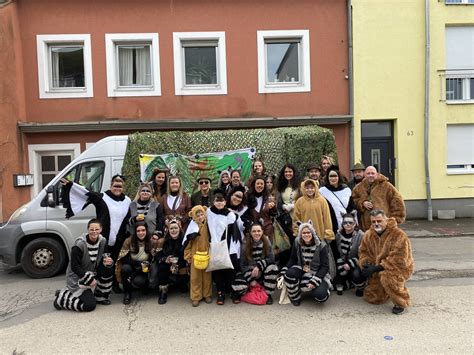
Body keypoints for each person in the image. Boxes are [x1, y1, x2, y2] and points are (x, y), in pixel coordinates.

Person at [61, 174, 131, 293]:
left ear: (123, 187)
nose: (117, 188)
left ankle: (113, 284)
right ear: (111, 186)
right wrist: (70, 185)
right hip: (103, 238)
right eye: (115, 186)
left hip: (119, 238)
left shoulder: (127, 200)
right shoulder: (102, 197)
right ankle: (97, 286)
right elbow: (86, 193)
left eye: (120, 186)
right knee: (101, 263)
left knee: (114, 261)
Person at [357, 209, 414, 315]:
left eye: (379, 221)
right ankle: (385, 290)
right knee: (374, 298)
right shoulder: (368, 234)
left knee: (388, 277)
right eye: (373, 222)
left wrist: (376, 268)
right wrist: (366, 263)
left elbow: (399, 259)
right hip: (377, 266)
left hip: (399, 268)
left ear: (386, 220)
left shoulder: (398, 235)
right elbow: (363, 251)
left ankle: (400, 301)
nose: (376, 224)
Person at [53, 219, 113, 311]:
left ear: (101, 230)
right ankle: (61, 298)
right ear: (88, 230)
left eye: (97, 229)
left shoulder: (102, 241)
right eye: (91, 229)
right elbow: (75, 267)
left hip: (93, 274)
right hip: (78, 277)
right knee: (89, 306)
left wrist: (106, 263)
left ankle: (100, 297)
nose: (94, 232)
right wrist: (88, 279)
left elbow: (101, 260)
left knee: (108, 269)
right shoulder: (79, 244)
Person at [281, 221, 332, 306]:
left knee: (320, 295)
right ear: (300, 234)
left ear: (312, 233)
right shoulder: (297, 242)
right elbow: (293, 259)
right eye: (303, 233)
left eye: (308, 232)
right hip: (303, 268)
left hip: (317, 272)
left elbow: (325, 266)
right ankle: (295, 297)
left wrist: (315, 281)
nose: (306, 235)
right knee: (289, 273)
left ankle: (321, 289)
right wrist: (284, 271)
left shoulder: (321, 245)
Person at [231, 223, 278, 305]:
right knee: (238, 285)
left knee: (273, 268)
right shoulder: (245, 244)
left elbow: (271, 259)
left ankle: (268, 294)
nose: (257, 233)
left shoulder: (266, 241)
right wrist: (251, 278)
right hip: (249, 272)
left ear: (262, 231)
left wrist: (259, 266)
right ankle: (248, 290)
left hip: (262, 271)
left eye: (259, 231)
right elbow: (242, 265)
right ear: (250, 232)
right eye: (254, 231)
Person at [116, 220, 160, 305]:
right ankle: (127, 293)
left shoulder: (151, 241)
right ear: (135, 232)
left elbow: (154, 257)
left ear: (146, 231)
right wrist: (138, 263)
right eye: (138, 231)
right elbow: (123, 258)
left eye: (143, 230)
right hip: (132, 266)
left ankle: (144, 286)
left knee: (139, 281)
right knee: (125, 268)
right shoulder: (129, 241)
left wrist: (146, 264)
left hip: (144, 269)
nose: (141, 233)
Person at [207, 191, 239, 305]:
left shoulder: (230, 215)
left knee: (230, 269)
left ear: (225, 202)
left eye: (221, 201)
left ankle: (233, 291)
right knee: (217, 268)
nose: (219, 203)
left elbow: (232, 231)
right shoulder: (208, 212)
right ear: (213, 202)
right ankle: (220, 293)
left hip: (227, 244)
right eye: (217, 201)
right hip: (213, 244)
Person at [352, 166, 406, 231]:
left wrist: (394, 220)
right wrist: (362, 203)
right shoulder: (358, 188)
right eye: (368, 173)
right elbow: (353, 200)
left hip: (384, 225)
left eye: (372, 173)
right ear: (365, 175)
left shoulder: (387, 186)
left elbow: (397, 202)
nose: (370, 175)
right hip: (366, 227)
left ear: (377, 174)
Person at [183, 205, 213, 307]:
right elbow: (187, 243)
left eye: (201, 214)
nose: (200, 217)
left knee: (207, 276)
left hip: (207, 254)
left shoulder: (209, 226)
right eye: (197, 215)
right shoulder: (191, 228)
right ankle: (196, 296)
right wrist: (188, 255)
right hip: (195, 256)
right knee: (195, 277)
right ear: (193, 216)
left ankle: (207, 294)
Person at [154, 217, 188, 304]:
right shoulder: (163, 241)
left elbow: (187, 256)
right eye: (171, 228)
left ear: (179, 229)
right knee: (162, 267)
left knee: (184, 288)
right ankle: (163, 292)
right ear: (168, 230)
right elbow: (157, 257)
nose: (174, 230)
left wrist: (178, 264)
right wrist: (166, 259)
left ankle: (182, 285)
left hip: (181, 264)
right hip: (167, 265)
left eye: (175, 228)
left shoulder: (185, 241)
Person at [333, 212, 365, 296]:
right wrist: (340, 263)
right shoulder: (339, 235)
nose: (348, 224)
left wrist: (351, 263)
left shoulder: (361, 235)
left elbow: (364, 254)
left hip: (356, 261)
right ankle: (348, 282)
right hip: (342, 262)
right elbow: (336, 251)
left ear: (355, 224)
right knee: (336, 283)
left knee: (356, 274)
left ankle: (360, 287)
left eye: (350, 222)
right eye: (345, 222)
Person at [319, 165, 357, 235]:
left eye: (335, 176)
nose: (333, 178)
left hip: (345, 225)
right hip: (329, 224)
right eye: (331, 176)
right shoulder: (322, 191)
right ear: (327, 177)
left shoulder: (346, 190)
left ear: (339, 177)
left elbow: (351, 208)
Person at [247, 176, 277, 242]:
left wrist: (273, 207)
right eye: (257, 184)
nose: (259, 185)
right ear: (254, 185)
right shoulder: (248, 198)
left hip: (267, 230)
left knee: (267, 251)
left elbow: (274, 214)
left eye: (261, 184)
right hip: (253, 231)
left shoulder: (269, 198)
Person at [276, 164, 300, 243]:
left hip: (297, 215)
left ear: (294, 173)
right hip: (286, 218)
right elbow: (278, 201)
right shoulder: (281, 186)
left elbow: (304, 199)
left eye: (290, 171)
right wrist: (282, 206)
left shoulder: (299, 185)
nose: (288, 173)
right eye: (286, 172)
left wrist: (293, 205)